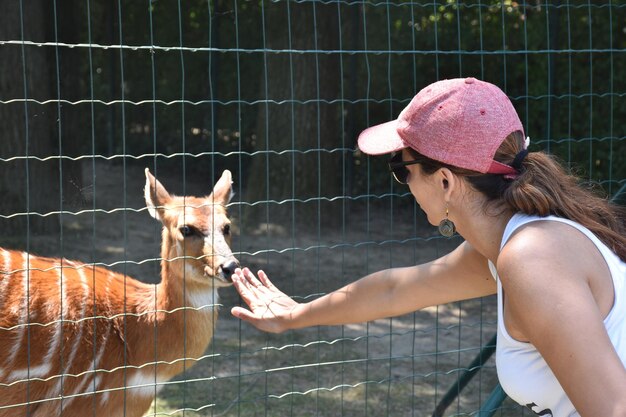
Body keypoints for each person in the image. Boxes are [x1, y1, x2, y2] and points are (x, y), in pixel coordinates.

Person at [230, 77, 626, 416]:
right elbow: (396, 289)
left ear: (445, 182)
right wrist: (295, 315)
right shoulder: (508, 243)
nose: (402, 182)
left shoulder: (533, 259)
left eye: (403, 169)